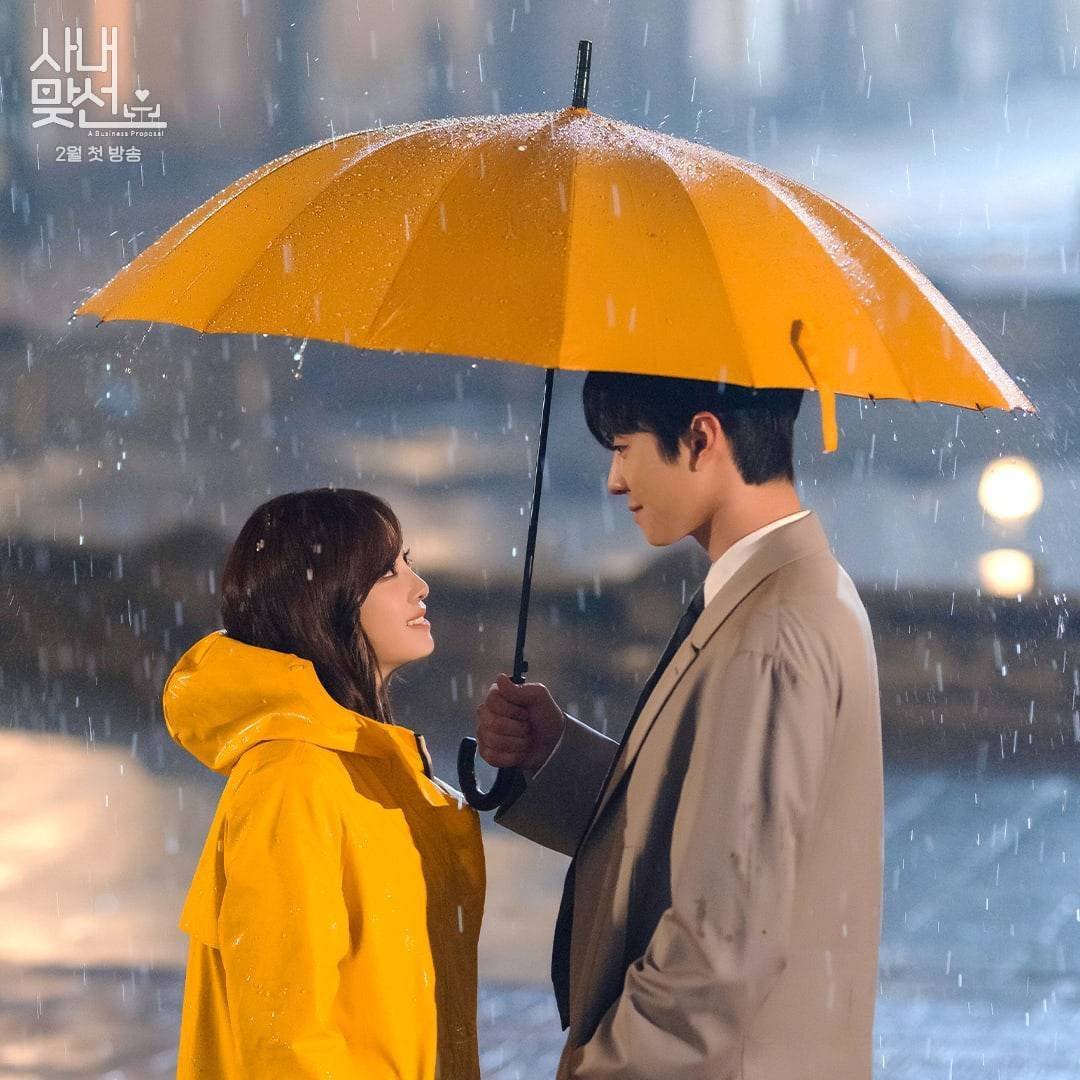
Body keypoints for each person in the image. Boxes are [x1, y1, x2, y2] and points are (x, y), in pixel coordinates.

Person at [475, 373, 883, 1079]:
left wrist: (602, 1068)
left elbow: (718, 947)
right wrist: (555, 756)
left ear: (700, 439)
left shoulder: (769, 633)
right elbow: (708, 831)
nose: (614, 481)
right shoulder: (788, 593)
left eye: (623, 448)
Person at [164, 488, 484, 1079]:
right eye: (387, 572)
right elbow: (288, 1043)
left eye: (408, 562)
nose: (419, 586)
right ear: (321, 599)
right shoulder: (294, 779)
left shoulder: (371, 771)